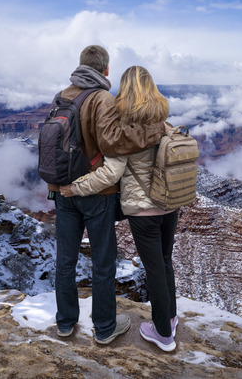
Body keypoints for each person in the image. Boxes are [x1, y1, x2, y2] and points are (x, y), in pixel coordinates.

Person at [60, 65, 179, 352]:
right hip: (170, 203)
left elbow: (110, 174)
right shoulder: (163, 121)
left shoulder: (127, 130)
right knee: (165, 262)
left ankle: (162, 333)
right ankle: (171, 318)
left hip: (143, 210)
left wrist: (75, 188)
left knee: (153, 270)